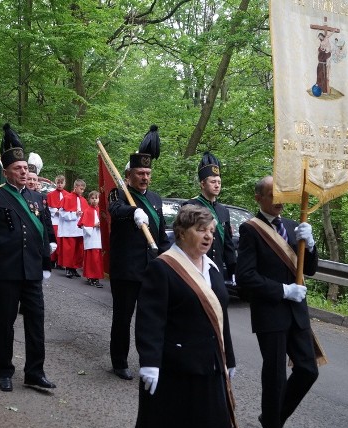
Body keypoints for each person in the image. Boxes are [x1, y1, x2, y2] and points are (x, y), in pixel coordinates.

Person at [122, 205, 240, 428]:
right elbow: (151, 319)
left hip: (209, 368)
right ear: (181, 233)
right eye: (200, 230)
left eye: (211, 231)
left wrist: (228, 358)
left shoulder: (212, 269)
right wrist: (150, 362)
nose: (208, 236)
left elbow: (221, 318)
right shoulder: (162, 268)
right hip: (173, 370)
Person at [235, 175, 319, 428]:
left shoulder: (296, 226)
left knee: (308, 370)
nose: (280, 199)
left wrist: (311, 243)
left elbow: (308, 269)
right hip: (270, 311)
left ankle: (271, 417)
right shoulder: (250, 230)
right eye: (273, 194)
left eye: (283, 192)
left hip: (297, 311)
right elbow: (245, 277)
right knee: (275, 376)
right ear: (259, 198)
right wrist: (283, 290)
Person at [0, 123, 57, 393]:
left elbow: (45, 231)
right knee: (4, 322)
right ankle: (4, 370)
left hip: (32, 271)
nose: (24, 172)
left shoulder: (37, 197)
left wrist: (46, 263)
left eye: (26, 168)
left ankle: (35, 372)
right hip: (5, 271)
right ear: (7, 171)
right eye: (18, 169)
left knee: (36, 322)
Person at [108, 125, 171, 381]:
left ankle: (148, 361)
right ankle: (119, 361)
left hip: (151, 269)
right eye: (140, 173)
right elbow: (113, 210)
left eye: (148, 173)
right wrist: (130, 211)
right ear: (129, 174)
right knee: (123, 318)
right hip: (126, 269)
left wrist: (168, 258)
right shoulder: (121, 195)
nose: (145, 177)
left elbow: (162, 234)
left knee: (150, 319)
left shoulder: (155, 199)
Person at [183, 151, 237, 280]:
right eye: (213, 182)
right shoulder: (190, 206)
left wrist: (233, 269)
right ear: (202, 184)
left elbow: (228, 244)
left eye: (219, 182)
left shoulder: (224, 211)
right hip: (194, 267)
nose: (217, 185)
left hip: (216, 269)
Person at [59, 179, 87, 278]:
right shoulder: (67, 198)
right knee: (69, 250)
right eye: (81, 188)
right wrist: (74, 214)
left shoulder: (83, 200)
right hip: (69, 229)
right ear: (75, 187)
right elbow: (62, 213)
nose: (82, 191)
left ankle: (74, 268)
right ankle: (68, 268)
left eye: (84, 189)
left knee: (78, 250)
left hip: (79, 230)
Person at [77, 190, 103, 287]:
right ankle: (91, 277)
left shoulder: (101, 211)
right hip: (91, 238)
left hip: (99, 238)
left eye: (96, 198)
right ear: (89, 199)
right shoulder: (87, 211)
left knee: (97, 259)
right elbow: (83, 225)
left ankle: (96, 277)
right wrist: (94, 225)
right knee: (92, 258)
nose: (94, 200)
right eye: (92, 198)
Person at [45, 175, 66, 267]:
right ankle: (52, 260)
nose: (59, 185)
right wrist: (55, 211)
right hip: (54, 220)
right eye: (58, 183)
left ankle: (60, 261)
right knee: (54, 239)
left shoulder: (68, 195)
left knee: (62, 241)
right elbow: (48, 207)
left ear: (64, 183)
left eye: (61, 183)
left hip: (64, 221)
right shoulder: (50, 195)